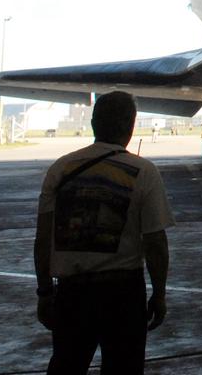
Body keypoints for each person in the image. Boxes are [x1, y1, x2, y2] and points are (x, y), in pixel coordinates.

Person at [35, 91, 174, 373]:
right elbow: (155, 242)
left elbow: (43, 238)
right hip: (123, 294)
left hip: (72, 294)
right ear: (130, 125)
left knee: (66, 366)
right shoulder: (144, 171)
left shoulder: (61, 168)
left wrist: (45, 292)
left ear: (93, 124)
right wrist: (159, 294)